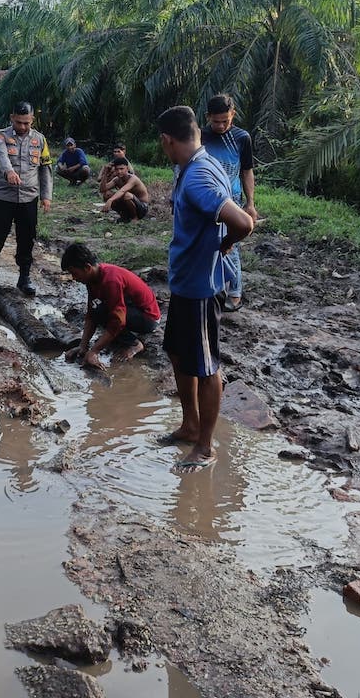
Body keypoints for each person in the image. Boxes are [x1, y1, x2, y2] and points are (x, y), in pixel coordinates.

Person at [157, 105, 254, 471]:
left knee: (207, 365)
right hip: (186, 282)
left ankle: (206, 447)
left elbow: (243, 222)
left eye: (162, 144)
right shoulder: (199, 163)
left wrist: (227, 243)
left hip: (200, 286)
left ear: (167, 140)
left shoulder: (198, 176)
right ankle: (189, 425)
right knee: (178, 354)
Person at [0, 101, 53, 296]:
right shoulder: (1, 136)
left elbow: (45, 168)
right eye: (19, 122)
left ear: (32, 120)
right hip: (3, 198)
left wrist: (46, 196)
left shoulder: (40, 140)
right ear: (12, 118)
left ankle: (24, 278)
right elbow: (1, 156)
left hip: (28, 198)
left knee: (26, 239)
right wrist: (8, 171)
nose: (22, 127)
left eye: (26, 123)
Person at [201, 94, 262, 312]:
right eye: (215, 121)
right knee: (207, 243)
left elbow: (247, 171)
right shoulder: (200, 136)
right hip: (205, 198)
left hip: (232, 199)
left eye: (224, 121)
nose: (220, 125)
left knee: (230, 245)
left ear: (233, 115)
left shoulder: (241, 138)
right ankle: (213, 286)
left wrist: (250, 203)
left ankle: (235, 292)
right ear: (208, 117)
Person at [62, 241, 161, 369]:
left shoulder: (110, 280)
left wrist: (94, 351)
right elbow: (91, 314)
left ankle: (135, 344)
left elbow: (118, 320)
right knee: (98, 309)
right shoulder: (92, 279)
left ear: (87, 268)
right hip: (130, 309)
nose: (73, 277)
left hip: (148, 318)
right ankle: (117, 339)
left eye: (74, 273)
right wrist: (83, 346)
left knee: (106, 313)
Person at [99, 158, 150, 222]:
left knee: (126, 195)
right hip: (128, 205)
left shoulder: (133, 179)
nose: (119, 171)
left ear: (127, 168)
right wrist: (105, 173)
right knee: (107, 194)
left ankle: (135, 218)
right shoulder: (117, 179)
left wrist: (110, 200)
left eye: (121, 169)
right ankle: (125, 216)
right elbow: (102, 189)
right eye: (117, 169)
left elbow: (122, 191)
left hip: (142, 208)